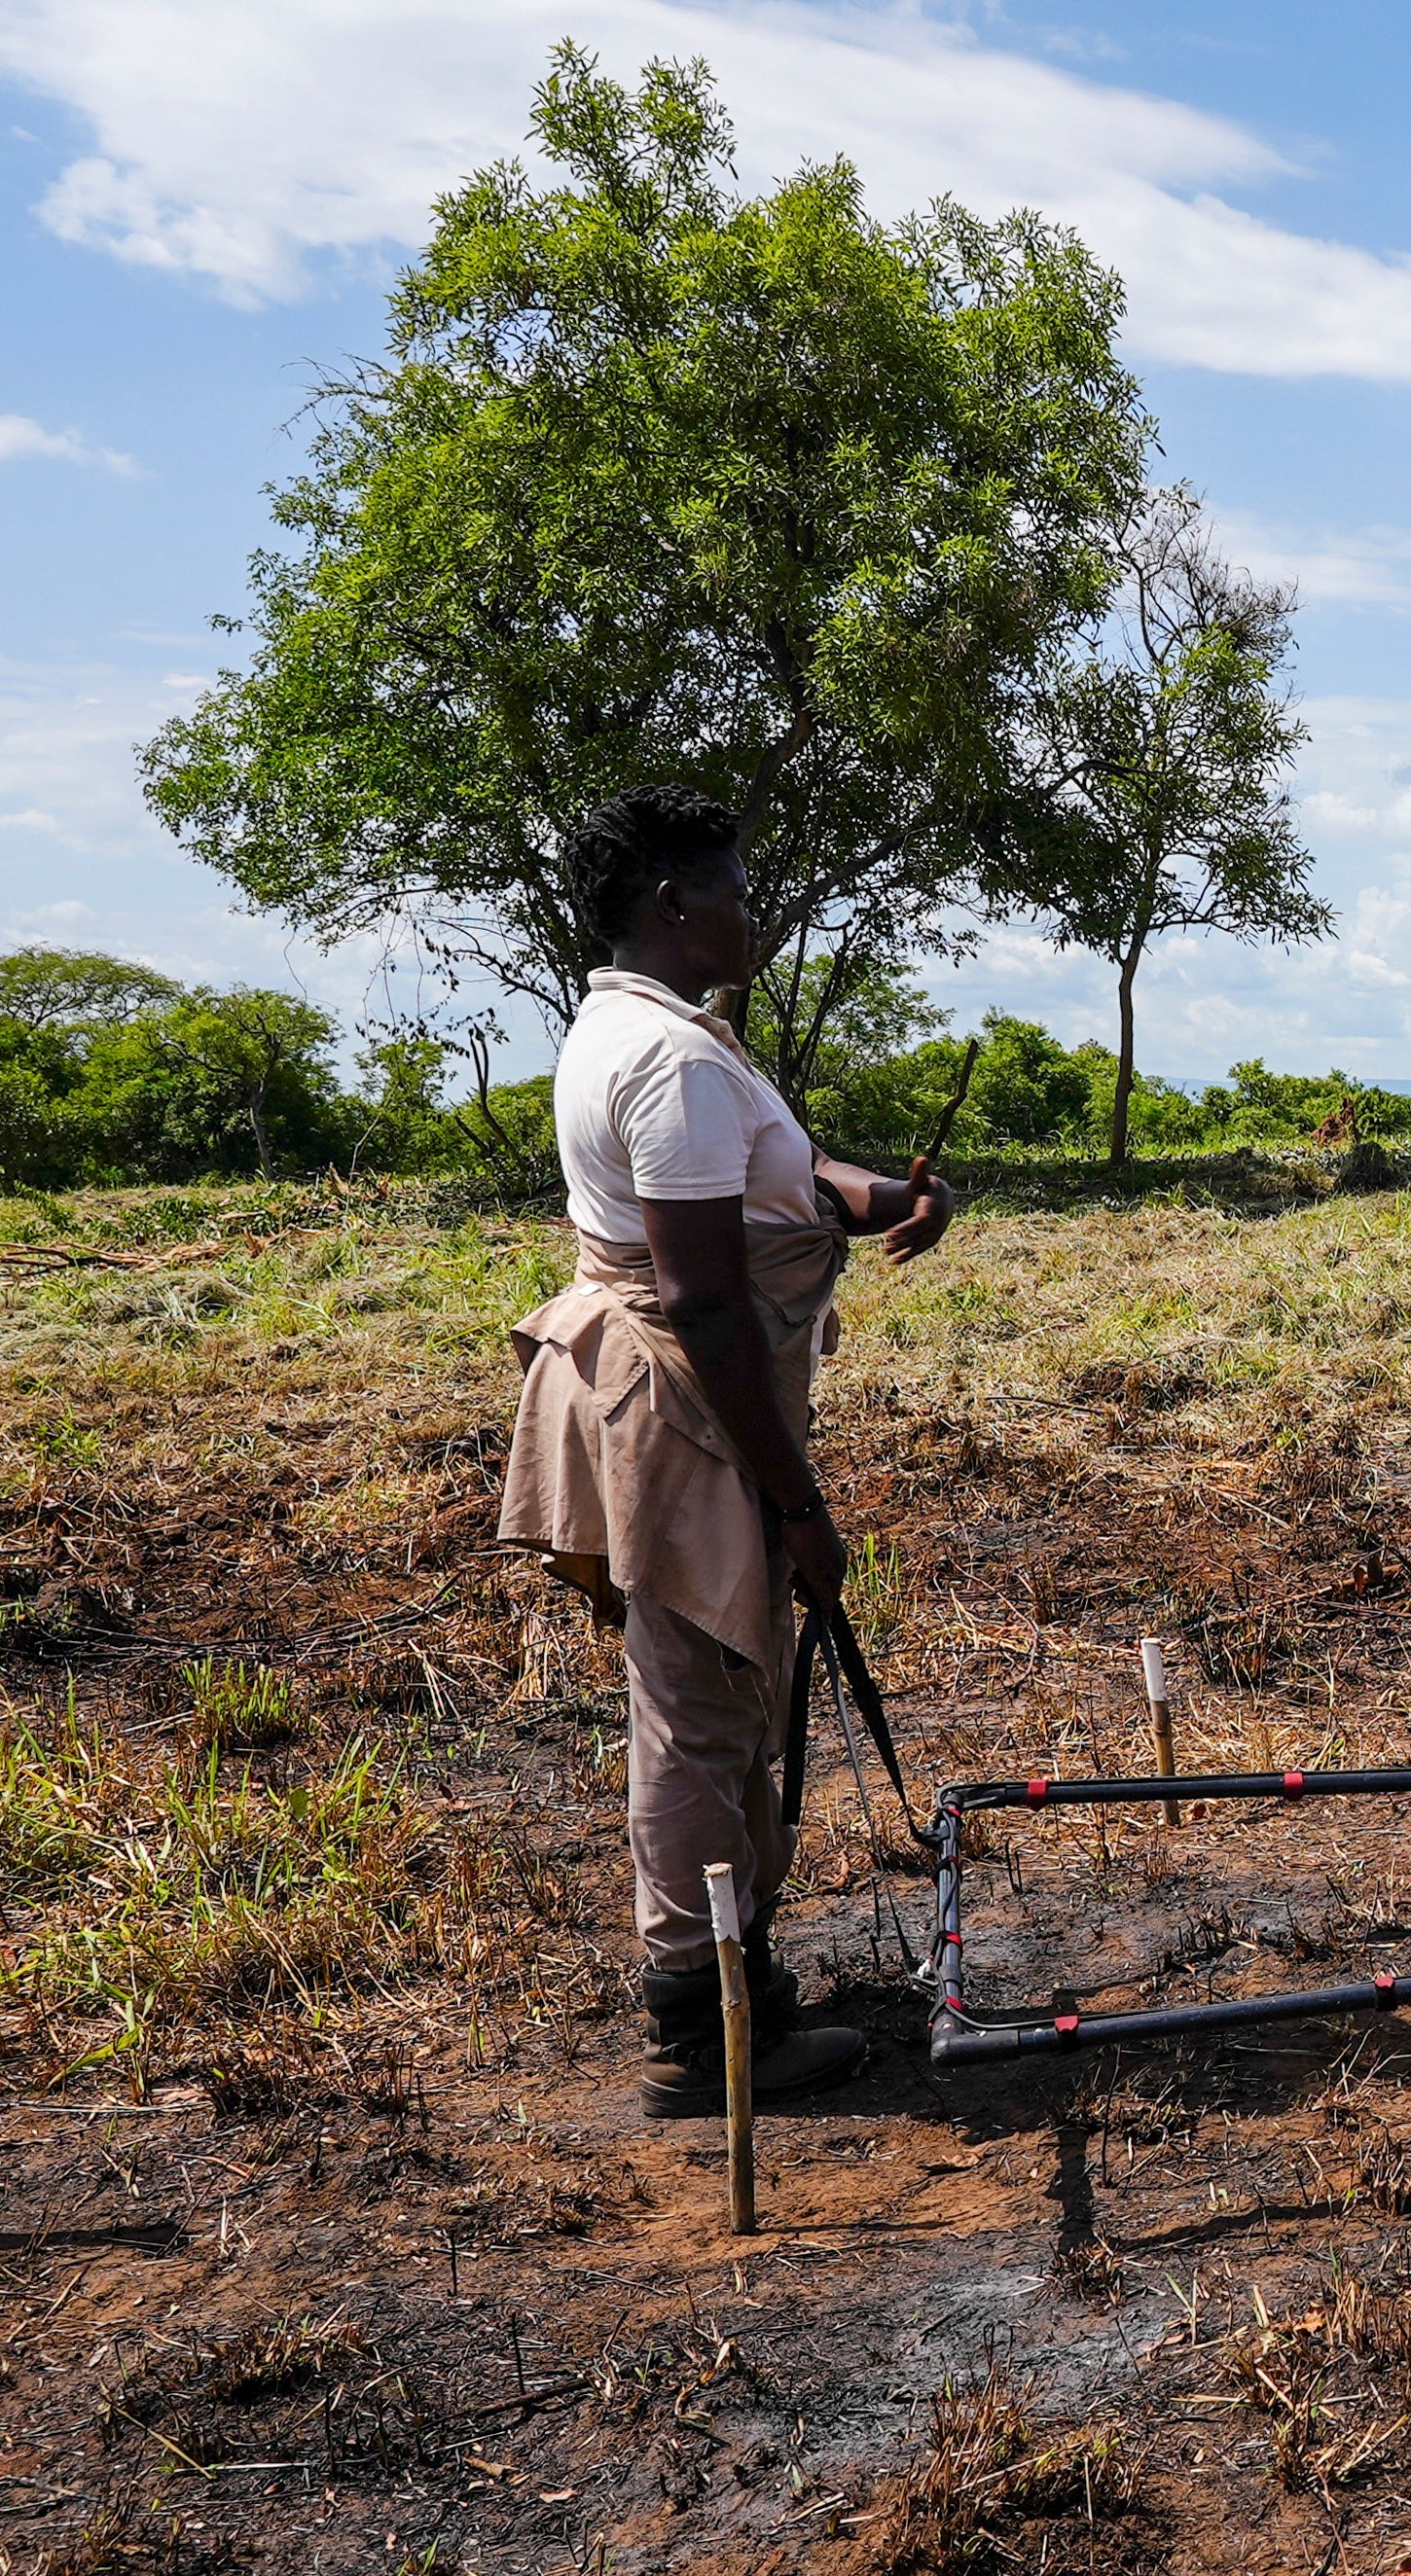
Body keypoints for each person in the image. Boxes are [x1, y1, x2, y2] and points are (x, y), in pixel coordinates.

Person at [497, 785, 956, 2115]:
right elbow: (703, 1297)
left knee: (709, 1699)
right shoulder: (678, 1060)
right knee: (699, 1711)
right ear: (674, 905)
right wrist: (794, 1500)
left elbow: (793, 1182)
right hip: (691, 1401)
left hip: (675, 1386)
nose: (754, 913)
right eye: (737, 889)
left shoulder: (640, 1031)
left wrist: (899, 1199)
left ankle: (731, 1982)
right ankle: (701, 2038)